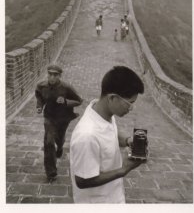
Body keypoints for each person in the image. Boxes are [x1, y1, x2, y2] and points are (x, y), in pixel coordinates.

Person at [70, 66, 144, 203]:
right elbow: (82, 180)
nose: (131, 109)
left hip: (113, 194)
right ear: (112, 98)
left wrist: (128, 141)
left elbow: (110, 132)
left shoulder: (103, 112)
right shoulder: (87, 135)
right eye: (130, 103)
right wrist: (123, 169)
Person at [35, 64, 83, 182]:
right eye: (50, 74)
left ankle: (60, 146)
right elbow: (39, 97)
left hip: (63, 118)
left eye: (55, 75)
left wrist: (66, 101)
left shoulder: (67, 88)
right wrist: (39, 106)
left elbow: (79, 101)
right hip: (49, 118)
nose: (52, 77)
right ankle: (51, 173)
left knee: (59, 139)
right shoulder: (41, 86)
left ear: (59, 76)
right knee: (49, 142)